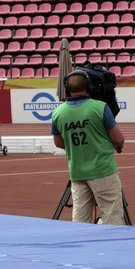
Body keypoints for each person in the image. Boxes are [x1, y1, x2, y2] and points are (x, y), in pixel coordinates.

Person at [51, 70, 126, 225]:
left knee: (80, 219)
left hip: (77, 173)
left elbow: (58, 143)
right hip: (103, 170)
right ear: (89, 87)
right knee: (112, 216)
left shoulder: (58, 113)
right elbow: (118, 139)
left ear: (67, 89)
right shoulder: (100, 107)